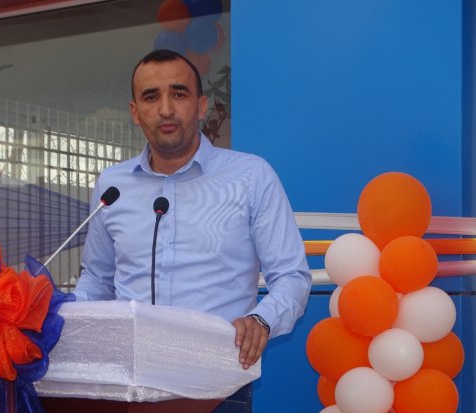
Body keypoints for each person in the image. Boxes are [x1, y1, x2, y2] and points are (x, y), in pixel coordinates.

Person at [74, 48, 311, 400]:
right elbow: (97, 278)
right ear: (135, 113)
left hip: (219, 384)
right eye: (151, 97)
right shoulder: (112, 185)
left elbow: (292, 275)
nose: (165, 109)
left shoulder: (251, 176)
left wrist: (261, 321)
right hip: (128, 381)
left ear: (201, 106)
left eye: (179, 94)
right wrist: (62, 319)